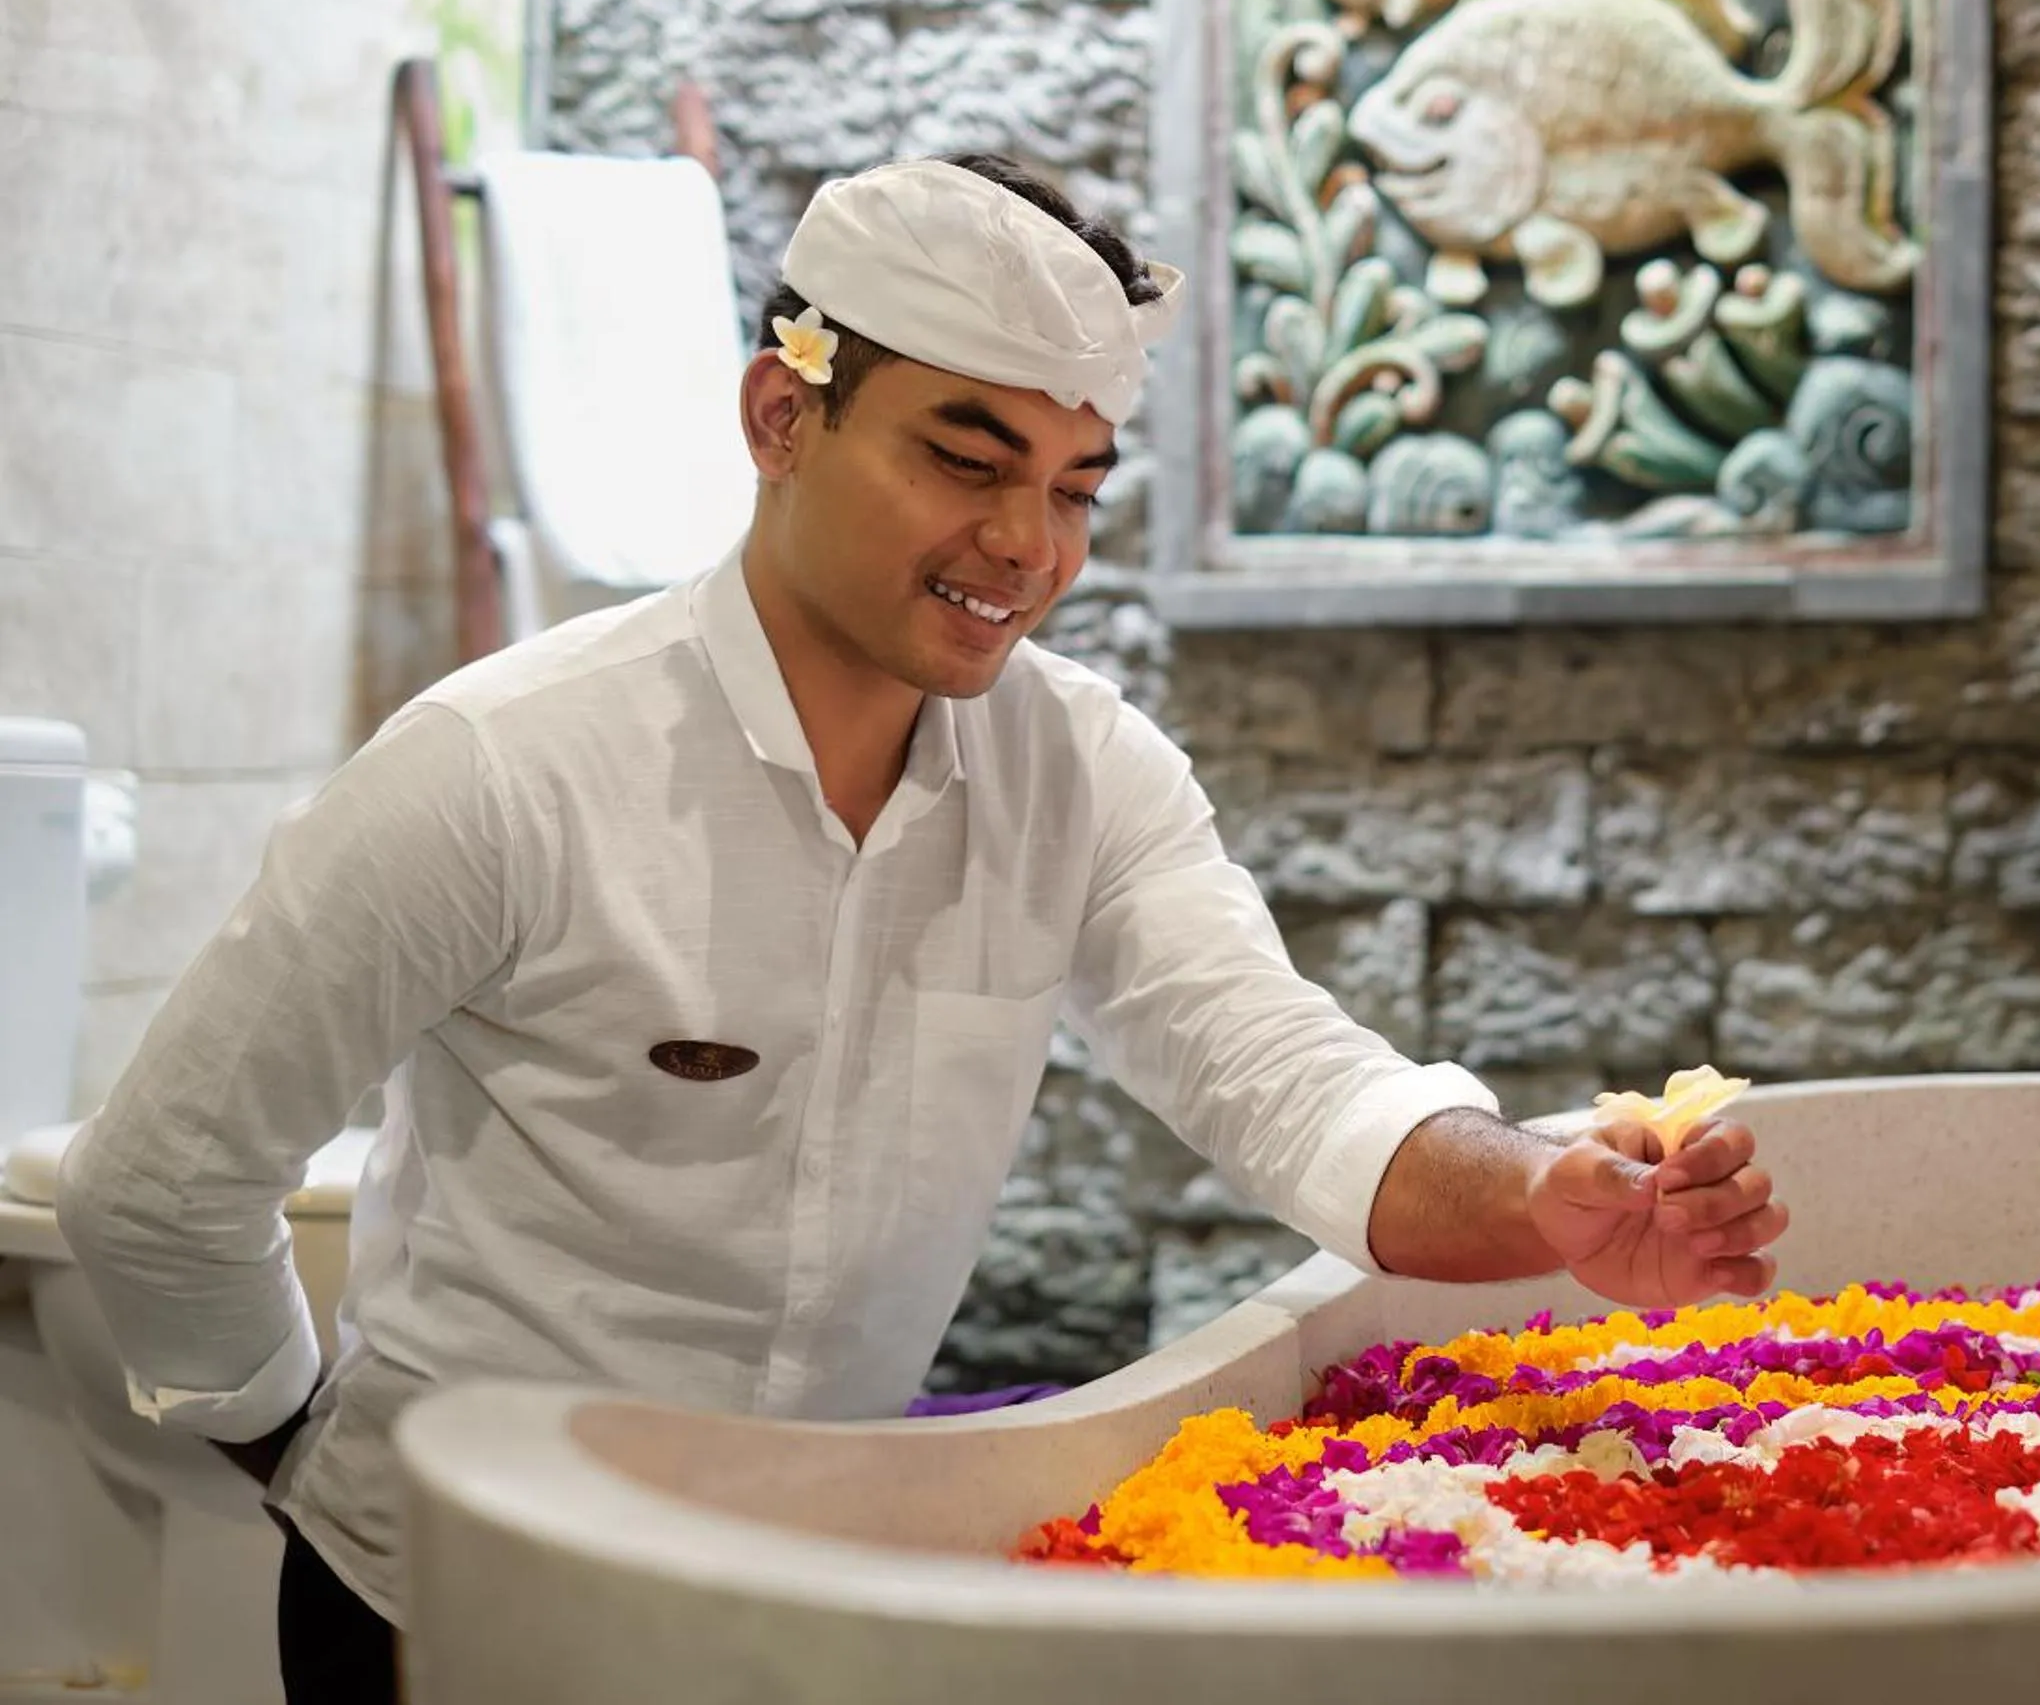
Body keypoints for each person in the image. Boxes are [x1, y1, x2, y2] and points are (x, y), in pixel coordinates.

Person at [54, 151, 1788, 1703]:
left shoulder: (1080, 769)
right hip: (458, 1598)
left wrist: (1553, 1199)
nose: (1027, 546)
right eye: (968, 457)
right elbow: (160, 1182)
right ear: (780, 416)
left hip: (818, 1579)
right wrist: (296, 1438)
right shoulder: (501, 770)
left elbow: (1279, 1068)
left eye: (1077, 485)